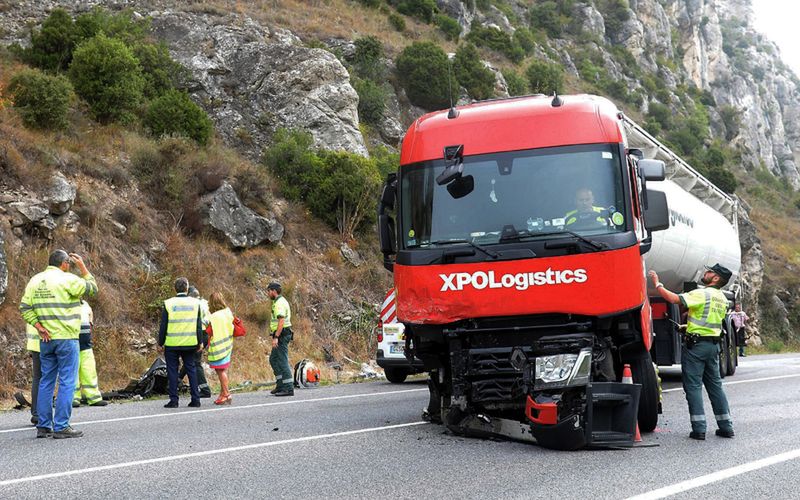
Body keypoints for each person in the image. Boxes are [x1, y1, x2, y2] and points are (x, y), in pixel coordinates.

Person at [649, 263, 735, 440]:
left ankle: (699, 429)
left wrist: (657, 284)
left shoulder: (702, 293)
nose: (706, 273)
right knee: (715, 386)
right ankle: (726, 427)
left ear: (716, 278)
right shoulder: (722, 299)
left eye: (710, 272)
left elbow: (674, 299)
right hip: (713, 346)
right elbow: (710, 322)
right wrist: (687, 327)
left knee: (693, 387)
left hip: (696, 348)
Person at [19, 250, 98, 439]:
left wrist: (39, 327)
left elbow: (24, 307)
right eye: (69, 264)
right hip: (67, 338)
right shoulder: (67, 279)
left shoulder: (35, 280)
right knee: (67, 382)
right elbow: (92, 288)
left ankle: (43, 425)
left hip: (46, 339)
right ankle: (62, 425)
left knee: (46, 381)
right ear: (64, 264)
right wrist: (83, 267)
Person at [158, 277, 203, 408]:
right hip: (190, 343)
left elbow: (163, 325)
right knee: (191, 369)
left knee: (172, 371)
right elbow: (198, 325)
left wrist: (160, 343)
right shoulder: (195, 303)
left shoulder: (169, 303)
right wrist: (200, 342)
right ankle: (196, 399)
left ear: (175, 288)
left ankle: (174, 400)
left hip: (172, 344)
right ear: (187, 288)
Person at [72, 300, 108, 408]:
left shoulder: (85, 304)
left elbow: (90, 317)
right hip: (72, 343)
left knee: (89, 370)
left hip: (86, 345)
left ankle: (94, 398)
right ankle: (73, 398)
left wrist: (91, 324)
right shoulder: (67, 302)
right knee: (72, 372)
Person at [178, 286, 211, 398]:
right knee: (190, 359)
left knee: (195, 362)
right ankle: (177, 380)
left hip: (199, 334)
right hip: (204, 333)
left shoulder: (195, 305)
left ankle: (205, 389)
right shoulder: (204, 303)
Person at [205, 291, 235, 405]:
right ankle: (223, 393)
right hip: (228, 344)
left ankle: (226, 394)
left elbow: (209, 331)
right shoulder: (228, 312)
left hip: (218, 347)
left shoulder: (213, 317)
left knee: (220, 371)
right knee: (223, 370)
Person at [267, 282, 294, 397]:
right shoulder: (278, 302)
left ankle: (288, 388)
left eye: (268, 291)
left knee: (282, 361)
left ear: (273, 291)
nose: (268, 294)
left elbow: (281, 321)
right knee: (273, 359)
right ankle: (281, 385)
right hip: (280, 334)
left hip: (282, 335)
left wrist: (276, 337)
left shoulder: (279, 303)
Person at [25, 324, 41, 426]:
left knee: (37, 378)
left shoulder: (30, 307)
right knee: (46, 380)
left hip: (34, 344)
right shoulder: (44, 307)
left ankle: (36, 414)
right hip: (46, 341)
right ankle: (41, 415)